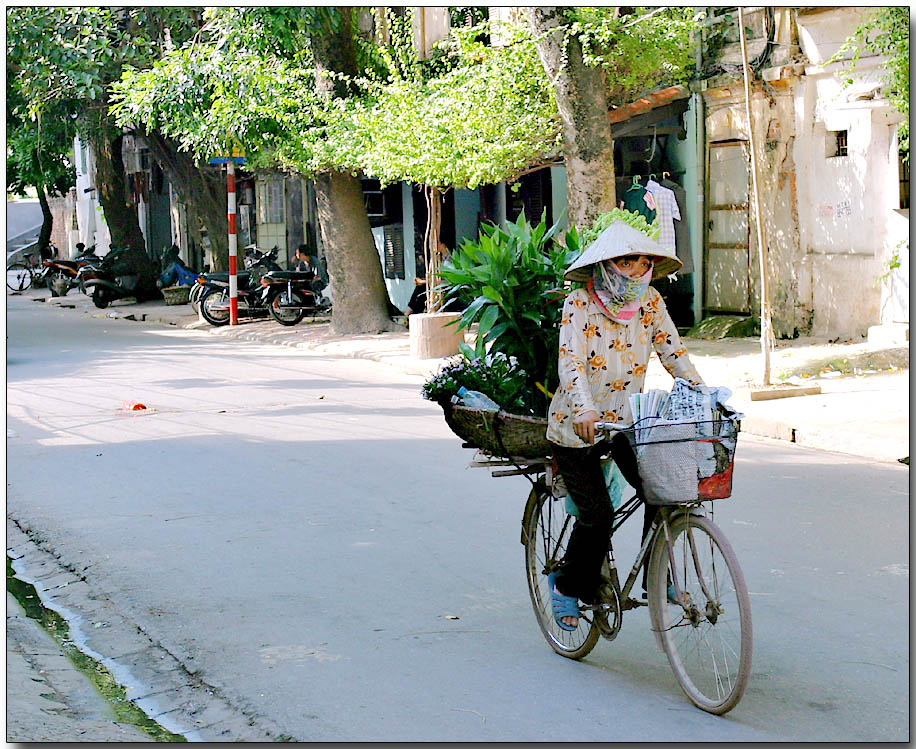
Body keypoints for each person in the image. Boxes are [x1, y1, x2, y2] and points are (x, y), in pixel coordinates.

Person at [545, 219, 705, 630]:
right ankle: (565, 584)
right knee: (598, 515)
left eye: (643, 261)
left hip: (629, 422)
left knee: (664, 491)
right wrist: (583, 409)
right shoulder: (577, 305)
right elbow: (571, 362)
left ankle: (658, 577)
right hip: (576, 428)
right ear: (606, 266)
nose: (637, 269)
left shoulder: (650, 302)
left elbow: (674, 353)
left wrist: (705, 396)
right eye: (627, 261)